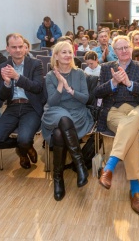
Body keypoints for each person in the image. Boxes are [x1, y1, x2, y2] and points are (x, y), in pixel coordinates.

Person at [95, 35, 139, 216]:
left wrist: (129, 84)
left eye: (126, 47)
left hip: (138, 110)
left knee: (132, 123)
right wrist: (113, 82)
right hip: (114, 111)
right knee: (132, 133)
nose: (124, 51)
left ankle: (110, 167)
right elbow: (97, 92)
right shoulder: (106, 68)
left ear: (131, 47)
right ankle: (135, 191)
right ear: (114, 51)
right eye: (119, 48)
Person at [41, 41, 94, 201]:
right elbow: (52, 102)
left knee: (58, 133)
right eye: (63, 52)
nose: (68, 55)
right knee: (63, 119)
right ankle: (80, 165)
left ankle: (58, 178)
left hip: (77, 112)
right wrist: (60, 84)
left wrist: (70, 90)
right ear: (56, 56)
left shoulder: (79, 73)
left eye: (70, 52)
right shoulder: (50, 76)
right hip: (55, 111)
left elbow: (85, 99)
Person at [0, 33, 46, 169]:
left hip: (31, 107)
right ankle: (24, 147)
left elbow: (37, 88)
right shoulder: (3, 66)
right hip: (12, 107)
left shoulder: (35, 64)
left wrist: (17, 77)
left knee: (24, 138)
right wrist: (7, 83)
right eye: (14, 47)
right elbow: (2, 96)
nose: (18, 50)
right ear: (7, 48)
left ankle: (23, 150)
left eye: (21, 46)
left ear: (25, 48)